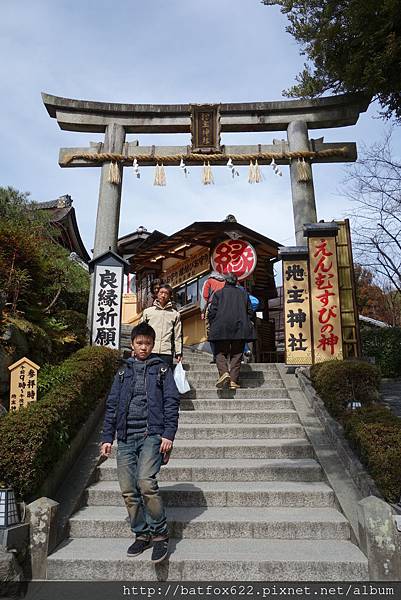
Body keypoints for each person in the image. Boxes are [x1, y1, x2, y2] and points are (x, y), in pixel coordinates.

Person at [100, 322, 180, 564]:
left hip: (151, 435)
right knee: (128, 490)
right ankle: (141, 533)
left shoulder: (162, 370)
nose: (143, 347)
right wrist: (107, 437)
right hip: (125, 437)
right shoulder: (123, 372)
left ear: (153, 345)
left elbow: (171, 403)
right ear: (132, 345)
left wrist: (168, 435)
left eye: (147, 343)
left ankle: (159, 534)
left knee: (146, 482)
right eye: (139, 343)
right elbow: (112, 405)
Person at [207, 273, 256, 389]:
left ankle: (224, 372)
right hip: (240, 328)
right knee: (237, 354)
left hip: (221, 328)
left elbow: (212, 312)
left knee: (219, 352)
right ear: (236, 282)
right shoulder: (243, 294)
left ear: (225, 281)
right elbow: (250, 311)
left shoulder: (218, 294)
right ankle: (233, 380)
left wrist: (212, 323)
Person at [142, 284, 182, 367]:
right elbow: (140, 331)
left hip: (166, 352)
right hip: (150, 350)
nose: (163, 295)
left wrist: (178, 352)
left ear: (170, 296)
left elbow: (177, 335)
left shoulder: (175, 314)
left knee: (165, 377)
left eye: (166, 293)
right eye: (161, 292)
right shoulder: (148, 312)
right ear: (157, 294)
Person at [200, 271, 226, 362]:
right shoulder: (225, 282)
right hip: (224, 309)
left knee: (211, 332)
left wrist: (202, 311)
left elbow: (205, 297)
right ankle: (224, 355)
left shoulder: (209, 281)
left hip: (212, 308)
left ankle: (216, 356)